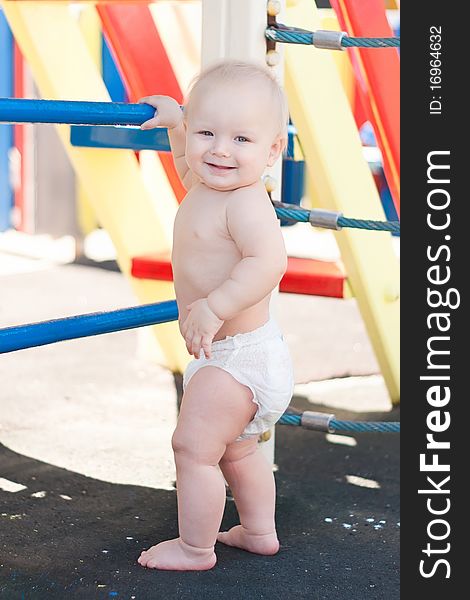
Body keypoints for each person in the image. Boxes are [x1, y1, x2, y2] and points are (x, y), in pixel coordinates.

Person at [137, 61, 294, 571]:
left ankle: (194, 548)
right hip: (237, 358)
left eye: (241, 139)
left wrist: (215, 305)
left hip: (238, 357)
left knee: (193, 447)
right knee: (238, 451)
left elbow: (268, 262)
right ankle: (257, 531)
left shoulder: (246, 204)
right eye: (207, 131)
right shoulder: (206, 184)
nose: (220, 149)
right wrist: (176, 122)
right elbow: (187, 161)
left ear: (272, 151)